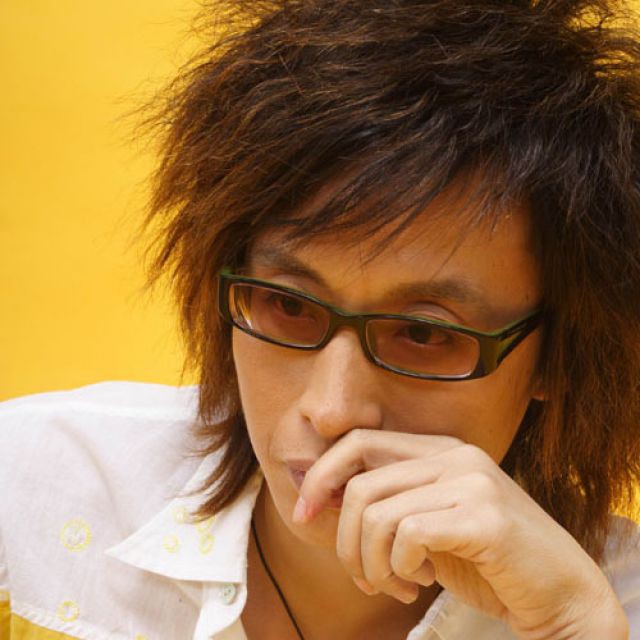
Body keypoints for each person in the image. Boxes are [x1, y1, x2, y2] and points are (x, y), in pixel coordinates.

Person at [2, 0, 640, 638]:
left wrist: (576, 623)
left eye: (424, 334)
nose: (332, 411)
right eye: (289, 306)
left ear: (558, 357)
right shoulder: (28, 495)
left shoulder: (612, 604)